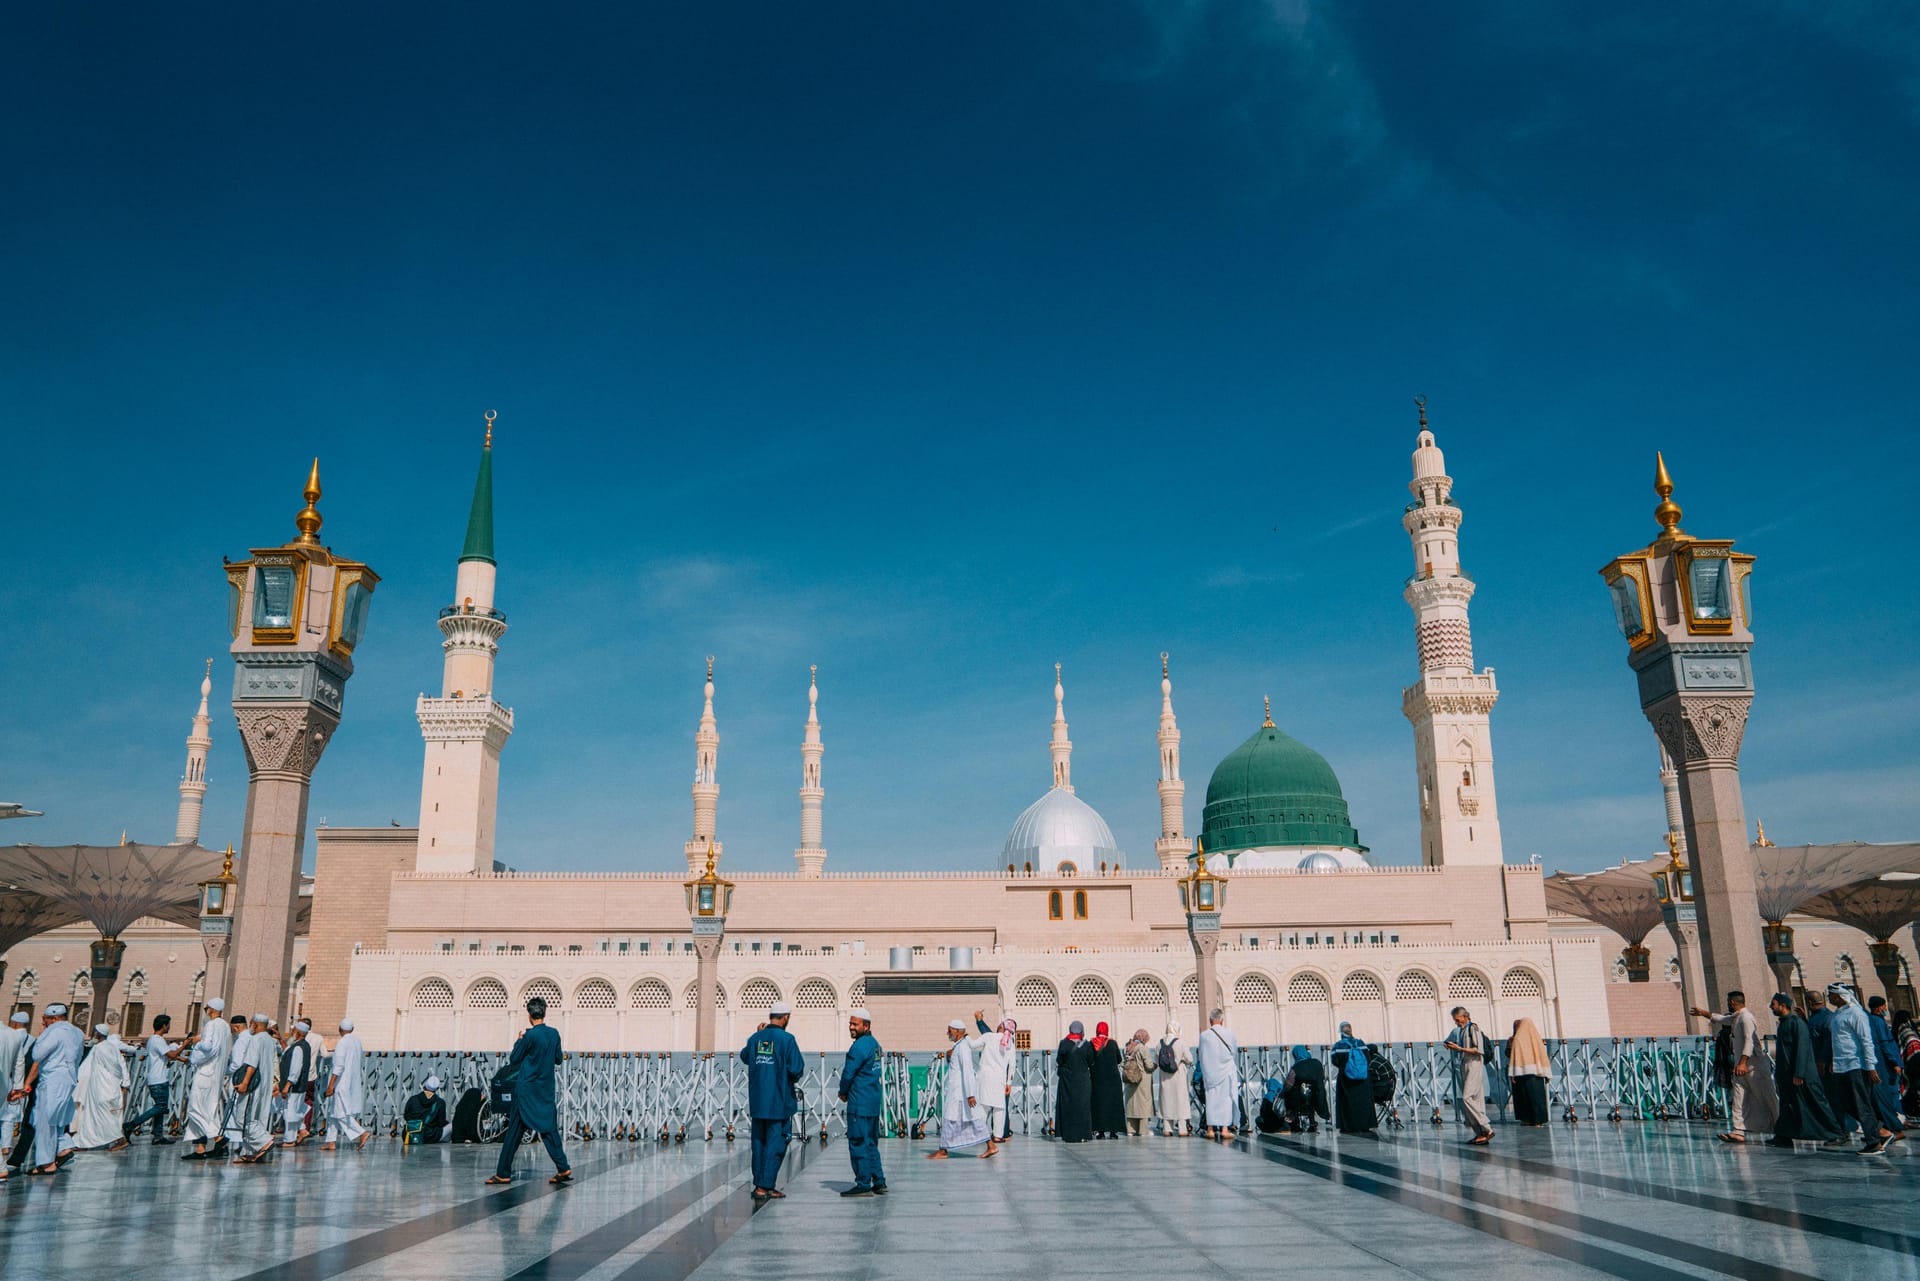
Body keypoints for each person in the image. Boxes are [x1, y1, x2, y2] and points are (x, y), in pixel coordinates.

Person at [486, 997, 571, 1185]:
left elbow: (515, 1058)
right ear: (544, 1012)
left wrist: (519, 1041)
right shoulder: (554, 1034)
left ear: (529, 1015)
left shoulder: (530, 1036)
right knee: (548, 1128)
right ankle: (563, 1166)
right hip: (545, 1089)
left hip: (526, 1090)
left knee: (514, 1131)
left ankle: (503, 1173)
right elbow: (558, 1059)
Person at [736, 1001, 804, 1197]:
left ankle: (761, 1183)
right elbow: (796, 1068)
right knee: (776, 1142)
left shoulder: (756, 1038)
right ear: (786, 1017)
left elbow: (745, 1056)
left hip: (758, 1101)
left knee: (759, 1142)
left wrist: (757, 1034)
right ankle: (764, 1185)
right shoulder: (787, 1040)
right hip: (778, 1101)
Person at [1692, 992, 1778, 1144]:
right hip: (1740, 1066)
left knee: (1766, 1097)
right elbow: (1721, 1019)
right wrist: (1703, 1013)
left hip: (1753, 1066)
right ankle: (1738, 1131)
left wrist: (1743, 1062)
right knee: (1739, 1098)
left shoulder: (1746, 1018)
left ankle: (1779, 1129)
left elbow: (1749, 1041)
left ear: (1732, 1002)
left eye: (1727, 1001)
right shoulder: (1737, 1017)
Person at [10, 1004, 83, 1174]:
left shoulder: (55, 1031)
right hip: (69, 1079)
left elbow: (37, 1054)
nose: (44, 1022)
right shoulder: (77, 1032)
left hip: (52, 1080)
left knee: (43, 1120)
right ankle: (63, 1148)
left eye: (45, 1019)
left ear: (54, 1017)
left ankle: (46, 1163)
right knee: (56, 1119)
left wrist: (44, 1033)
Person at [1825, 985, 1897, 1154]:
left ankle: (1874, 1143)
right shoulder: (1838, 1014)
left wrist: (1871, 1067)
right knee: (1846, 1103)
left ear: (1840, 996)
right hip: (1841, 1067)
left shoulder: (1856, 1014)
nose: (1830, 998)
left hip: (1856, 1066)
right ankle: (1880, 1131)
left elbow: (1866, 1040)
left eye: (1831, 995)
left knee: (1861, 1105)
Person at [1766, 993, 1844, 1146]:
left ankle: (1836, 1133)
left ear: (1783, 1005)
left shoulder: (1797, 1023)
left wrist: (1799, 1072)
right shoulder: (1784, 1023)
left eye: (1774, 1004)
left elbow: (1803, 1049)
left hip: (1802, 1075)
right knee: (1788, 1105)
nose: (1771, 1007)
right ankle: (1784, 1135)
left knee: (1816, 1103)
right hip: (1787, 1074)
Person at [837, 1007, 886, 1196]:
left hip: (859, 1102)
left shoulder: (858, 1047)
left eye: (855, 1024)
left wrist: (843, 1092)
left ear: (866, 1026)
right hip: (872, 1102)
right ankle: (879, 1181)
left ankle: (863, 1183)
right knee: (871, 1142)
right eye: (850, 1023)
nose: (851, 1027)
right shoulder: (875, 1044)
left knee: (858, 1142)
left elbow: (849, 1072)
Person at [931, 1018, 996, 1159]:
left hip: (961, 1093)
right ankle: (991, 1146)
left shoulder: (963, 1048)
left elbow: (967, 1071)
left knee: (951, 1118)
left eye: (950, 1030)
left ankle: (943, 1151)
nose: (948, 1033)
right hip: (958, 1091)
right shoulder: (958, 1047)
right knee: (973, 1119)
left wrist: (971, 1094)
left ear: (957, 1032)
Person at [182, 996, 232, 1160]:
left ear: (211, 1009)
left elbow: (208, 1047)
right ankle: (200, 1148)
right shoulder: (225, 1026)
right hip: (216, 1074)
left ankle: (218, 1137)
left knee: (195, 1108)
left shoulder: (211, 1025)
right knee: (208, 1109)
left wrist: (198, 1041)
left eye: (206, 1009)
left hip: (206, 1072)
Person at [124, 1014, 184, 1145]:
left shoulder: (154, 1040)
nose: (169, 1027)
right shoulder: (157, 1040)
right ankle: (131, 1124)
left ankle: (158, 1135)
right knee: (160, 1106)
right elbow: (172, 1054)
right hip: (158, 1079)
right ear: (164, 1025)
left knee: (160, 1109)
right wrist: (185, 1044)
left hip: (157, 1078)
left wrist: (182, 1059)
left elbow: (166, 1056)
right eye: (168, 1024)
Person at [71, 1023, 132, 1151]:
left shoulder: (101, 1048)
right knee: (91, 1115)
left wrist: (120, 1083)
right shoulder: (105, 1047)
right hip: (98, 1085)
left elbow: (115, 1067)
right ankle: (84, 1142)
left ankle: (119, 1139)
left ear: (97, 1033)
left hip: (104, 1086)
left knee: (103, 1114)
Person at [1443, 1007, 1495, 1144]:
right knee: (1476, 1099)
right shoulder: (1462, 1030)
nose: (1457, 1023)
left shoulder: (1473, 1028)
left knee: (1466, 1097)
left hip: (1474, 1065)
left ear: (1465, 1017)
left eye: (1458, 1020)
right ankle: (1480, 1133)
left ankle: (1486, 1127)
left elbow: (1478, 1049)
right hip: (1465, 1064)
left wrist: (1458, 1048)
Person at [232, 1013, 278, 1164]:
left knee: (243, 1117)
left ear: (255, 1024)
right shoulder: (270, 1040)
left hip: (253, 1084)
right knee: (258, 1117)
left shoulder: (255, 1039)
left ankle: (264, 1141)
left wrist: (244, 1082)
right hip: (265, 1084)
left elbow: (251, 1063)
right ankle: (250, 1151)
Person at [1864, 996, 1908, 1144]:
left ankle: (1889, 1128)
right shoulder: (1876, 1022)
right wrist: (1894, 1062)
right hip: (1884, 1065)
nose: (1885, 1009)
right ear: (1878, 1008)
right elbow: (1884, 1044)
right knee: (1888, 1096)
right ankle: (1895, 1127)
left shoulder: (1873, 1021)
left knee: (1884, 1097)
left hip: (1883, 1064)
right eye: (1883, 1006)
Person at [970, 1011, 1017, 1143]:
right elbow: (1012, 1065)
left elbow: (972, 1045)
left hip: (984, 1077)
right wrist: (1009, 1083)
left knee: (983, 1106)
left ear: (1002, 1027)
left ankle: (979, 1134)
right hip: (1000, 1079)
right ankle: (997, 1136)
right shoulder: (1010, 1044)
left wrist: (964, 1036)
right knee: (999, 1108)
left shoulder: (988, 1036)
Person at [324, 1018, 369, 1152]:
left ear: (340, 1029)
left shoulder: (342, 1043)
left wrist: (331, 1084)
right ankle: (330, 1141)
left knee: (341, 1112)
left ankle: (361, 1133)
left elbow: (339, 1066)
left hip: (341, 1082)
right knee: (333, 1112)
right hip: (352, 1081)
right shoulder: (357, 1042)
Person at [1196, 1008, 1240, 1140]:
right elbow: (1234, 1052)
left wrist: (1206, 1070)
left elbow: (1202, 1055)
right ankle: (1225, 1129)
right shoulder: (1229, 1034)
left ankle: (1210, 1129)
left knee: (1211, 1100)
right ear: (1222, 1020)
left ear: (1210, 1021)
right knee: (1225, 1100)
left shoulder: (1204, 1036)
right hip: (1226, 1072)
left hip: (1210, 1073)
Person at [1330, 1023, 1377, 1135]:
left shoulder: (1338, 1046)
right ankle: (1365, 1125)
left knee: (1347, 1103)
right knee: (1363, 1102)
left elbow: (1335, 1061)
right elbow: (1368, 1059)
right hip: (1363, 1079)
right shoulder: (1360, 1043)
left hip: (1346, 1079)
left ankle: (1348, 1126)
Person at [1506, 1017, 1552, 1127]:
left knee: (1524, 1097)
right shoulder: (1535, 1039)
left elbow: (1513, 1058)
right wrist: (1547, 1073)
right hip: (1536, 1073)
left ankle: (1527, 1119)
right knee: (1535, 1097)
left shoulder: (1518, 1039)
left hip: (1521, 1072)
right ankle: (1537, 1121)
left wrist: (1513, 1073)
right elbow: (1543, 1057)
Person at [1, 1010, 31, 1173]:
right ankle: (2, 1161)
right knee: (7, 1118)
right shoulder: (16, 1036)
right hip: (9, 1084)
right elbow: (20, 1063)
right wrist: (18, 1087)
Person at [1054, 1021, 1092, 1142]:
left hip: (1067, 1080)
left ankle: (1068, 1134)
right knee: (1082, 1106)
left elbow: (1059, 1060)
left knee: (1068, 1105)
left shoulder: (1064, 1043)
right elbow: (1091, 1060)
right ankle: (1083, 1134)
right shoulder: (1086, 1045)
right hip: (1082, 1079)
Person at [1088, 1021, 1125, 1139]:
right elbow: (1119, 1059)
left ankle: (1101, 1131)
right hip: (1113, 1080)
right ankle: (1114, 1131)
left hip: (1097, 1079)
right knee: (1113, 1104)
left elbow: (1089, 1060)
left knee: (1099, 1104)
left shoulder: (1092, 1043)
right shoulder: (1113, 1043)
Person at [279, 1020, 315, 1145]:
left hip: (294, 1087)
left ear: (298, 1032)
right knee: (295, 1110)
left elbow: (295, 1068)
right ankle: (302, 1129)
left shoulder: (298, 1047)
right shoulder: (303, 1045)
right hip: (299, 1086)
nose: (292, 1032)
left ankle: (290, 1139)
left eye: (294, 1030)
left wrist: (288, 1084)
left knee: (290, 1113)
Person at [1155, 1018, 1191, 1137]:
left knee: (1166, 1100)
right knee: (1180, 1100)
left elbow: (1156, 1060)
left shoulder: (1159, 1043)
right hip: (1178, 1076)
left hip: (1164, 1076)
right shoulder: (1180, 1043)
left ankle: (1167, 1128)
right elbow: (1189, 1058)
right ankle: (1182, 1129)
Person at [222, 1012, 252, 1153]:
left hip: (238, 1079)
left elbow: (237, 1063)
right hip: (247, 1078)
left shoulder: (241, 1040)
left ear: (236, 1027)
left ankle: (237, 1140)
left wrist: (225, 1072)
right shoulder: (251, 1038)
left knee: (235, 1110)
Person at [1282, 1046, 1329, 1133]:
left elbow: (1288, 1085)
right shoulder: (1317, 1063)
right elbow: (1322, 1077)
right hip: (1316, 1097)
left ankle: (1293, 1120)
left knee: (1288, 1094)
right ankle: (1312, 1121)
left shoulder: (1295, 1068)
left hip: (1298, 1100)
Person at [1122, 1028, 1155, 1136]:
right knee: (1143, 1104)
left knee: (1131, 1104)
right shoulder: (1143, 1049)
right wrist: (1155, 1065)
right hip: (1142, 1080)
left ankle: (1131, 1130)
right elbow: (1149, 1066)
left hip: (1129, 1079)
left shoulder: (1127, 1047)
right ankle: (1143, 1130)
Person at [404, 1075, 450, 1144]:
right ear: (437, 1089)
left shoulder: (412, 1099)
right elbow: (441, 1122)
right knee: (451, 1126)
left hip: (408, 1135)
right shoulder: (440, 1102)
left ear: (424, 1086)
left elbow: (406, 1116)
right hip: (428, 1136)